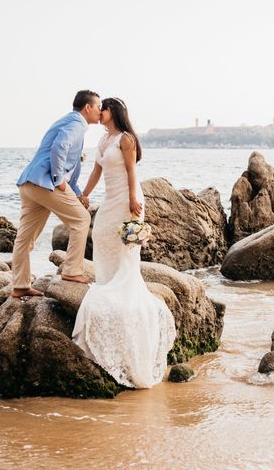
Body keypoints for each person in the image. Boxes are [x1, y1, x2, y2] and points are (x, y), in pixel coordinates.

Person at [72, 97, 176, 388]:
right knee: (100, 235)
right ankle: (107, 283)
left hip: (128, 199)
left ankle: (123, 290)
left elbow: (132, 172)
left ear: (112, 112)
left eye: (102, 109)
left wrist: (133, 198)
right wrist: (85, 194)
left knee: (125, 248)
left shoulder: (126, 139)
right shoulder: (104, 140)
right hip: (109, 200)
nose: (100, 113)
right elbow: (96, 171)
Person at [10, 90, 101, 298]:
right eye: (98, 106)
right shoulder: (77, 123)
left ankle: (20, 285)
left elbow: (71, 166)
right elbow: (60, 147)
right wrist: (58, 179)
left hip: (29, 183)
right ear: (88, 107)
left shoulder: (68, 121)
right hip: (45, 183)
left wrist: (77, 192)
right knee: (81, 219)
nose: (100, 110)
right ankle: (72, 271)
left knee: (24, 239)